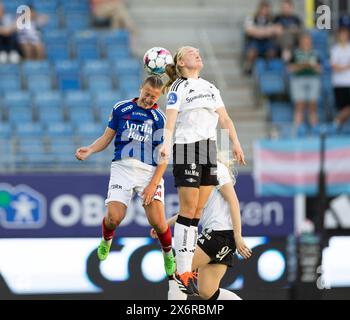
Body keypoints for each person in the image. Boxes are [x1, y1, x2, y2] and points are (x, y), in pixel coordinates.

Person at [159, 46, 246, 296]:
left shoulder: (210, 87)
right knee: (189, 209)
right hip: (187, 148)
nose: (197, 53)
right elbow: (171, 119)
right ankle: (185, 268)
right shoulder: (179, 88)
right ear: (181, 63)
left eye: (197, 51)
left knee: (197, 210)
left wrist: (236, 143)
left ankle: (184, 269)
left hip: (209, 148)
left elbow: (225, 120)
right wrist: (165, 144)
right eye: (190, 52)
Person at [75, 76, 176, 277]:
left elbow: (164, 158)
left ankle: (167, 252)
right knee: (114, 218)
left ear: (159, 96)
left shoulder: (161, 119)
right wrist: (91, 149)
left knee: (158, 222)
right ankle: (106, 239)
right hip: (122, 168)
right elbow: (106, 137)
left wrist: (152, 185)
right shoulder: (121, 109)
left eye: (154, 96)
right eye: (147, 94)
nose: (149, 99)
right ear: (140, 89)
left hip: (149, 172)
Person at [150, 156, 252, 300]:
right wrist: (166, 224)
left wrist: (238, 236)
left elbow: (233, 201)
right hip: (221, 237)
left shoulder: (215, 168)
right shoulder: (197, 173)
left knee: (179, 269)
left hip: (219, 234)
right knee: (207, 292)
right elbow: (190, 211)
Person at [289, 32, 321, 128]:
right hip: (298, 79)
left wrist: (311, 66)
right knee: (299, 104)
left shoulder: (315, 53)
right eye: (304, 40)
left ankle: (314, 130)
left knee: (313, 105)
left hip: (313, 79)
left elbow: (320, 68)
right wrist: (303, 65)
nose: (306, 42)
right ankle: (297, 129)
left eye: (308, 40)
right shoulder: (295, 53)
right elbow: (290, 68)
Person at [243, 0, 279, 74]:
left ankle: (267, 68)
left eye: (266, 9)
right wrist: (266, 31)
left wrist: (258, 31)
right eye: (263, 8)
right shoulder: (251, 17)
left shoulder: (272, 19)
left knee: (272, 51)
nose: (264, 11)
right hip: (254, 41)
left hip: (267, 42)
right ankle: (248, 67)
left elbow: (277, 30)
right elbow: (249, 30)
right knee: (251, 51)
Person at [331, 27, 350, 130]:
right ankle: (338, 126)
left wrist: (341, 67)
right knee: (342, 107)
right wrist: (346, 67)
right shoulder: (335, 49)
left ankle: (336, 121)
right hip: (338, 83)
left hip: (348, 82)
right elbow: (334, 67)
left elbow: (338, 67)